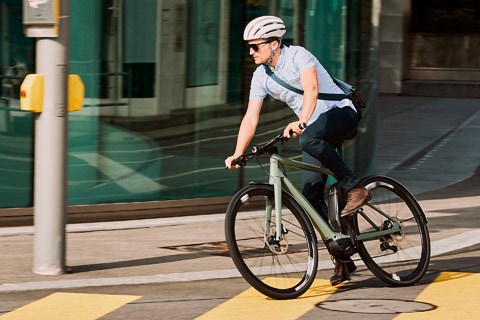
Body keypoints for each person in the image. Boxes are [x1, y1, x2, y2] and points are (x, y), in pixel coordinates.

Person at [225, 16, 371, 286]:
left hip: (340, 114)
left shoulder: (298, 56)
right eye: (249, 47)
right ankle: (343, 258)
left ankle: (355, 187)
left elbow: (312, 89)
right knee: (310, 198)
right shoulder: (261, 77)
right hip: (315, 128)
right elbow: (250, 117)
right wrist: (237, 152)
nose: (251, 52)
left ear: (274, 43)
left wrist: (302, 121)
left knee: (308, 140)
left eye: (255, 47)